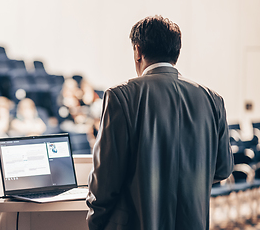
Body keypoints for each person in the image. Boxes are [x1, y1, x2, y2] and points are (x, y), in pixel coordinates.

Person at [86, 16, 234, 230]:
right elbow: (223, 168)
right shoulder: (213, 99)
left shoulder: (121, 96)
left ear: (137, 51)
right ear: (176, 52)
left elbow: (106, 181)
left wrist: (95, 221)